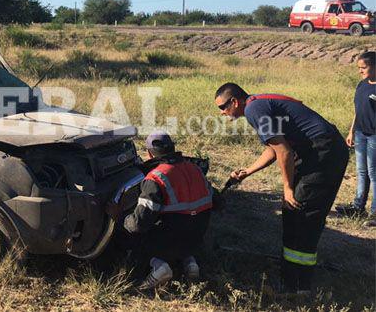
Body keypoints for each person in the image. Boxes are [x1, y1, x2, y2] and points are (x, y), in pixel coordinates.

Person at [214, 82, 348, 294]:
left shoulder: (253, 110)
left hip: (324, 153)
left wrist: (287, 188)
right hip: (318, 150)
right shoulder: (257, 104)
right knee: (294, 213)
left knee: (301, 214)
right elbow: (274, 148)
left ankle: (298, 287)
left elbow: (284, 151)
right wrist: (248, 171)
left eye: (222, 107)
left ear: (234, 101)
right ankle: (291, 276)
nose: (222, 113)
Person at [106, 131, 218, 290]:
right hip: (197, 237)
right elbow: (218, 203)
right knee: (184, 229)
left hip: (169, 240)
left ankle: (158, 266)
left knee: (129, 233)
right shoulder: (196, 169)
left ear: (149, 154)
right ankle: (189, 262)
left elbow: (138, 224)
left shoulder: (156, 178)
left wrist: (120, 216)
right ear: (173, 148)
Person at [336, 52, 376, 226]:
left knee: (373, 173)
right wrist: (352, 131)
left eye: (364, 67)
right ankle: (358, 206)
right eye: (359, 68)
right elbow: (358, 110)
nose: (360, 71)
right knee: (361, 172)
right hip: (360, 133)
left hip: (374, 135)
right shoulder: (362, 85)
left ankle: (374, 213)